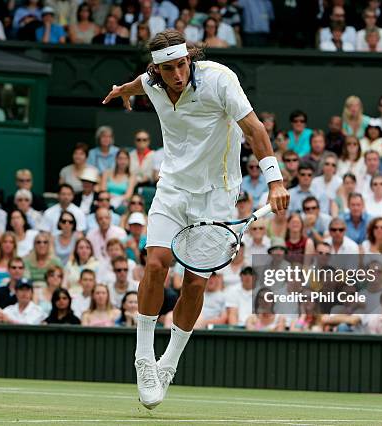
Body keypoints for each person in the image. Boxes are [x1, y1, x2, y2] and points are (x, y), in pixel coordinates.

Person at [102, 28, 289, 408]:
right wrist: (124, 90)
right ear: (157, 68)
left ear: (191, 57)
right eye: (168, 68)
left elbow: (253, 129)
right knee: (155, 265)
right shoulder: (152, 82)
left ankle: (168, 362)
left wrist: (275, 181)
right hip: (172, 188)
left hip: (217, 197)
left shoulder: (220, 79)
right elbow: (141, 84)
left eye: (182, 64)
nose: (177, 74)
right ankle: (143, 358)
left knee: (195, 285)